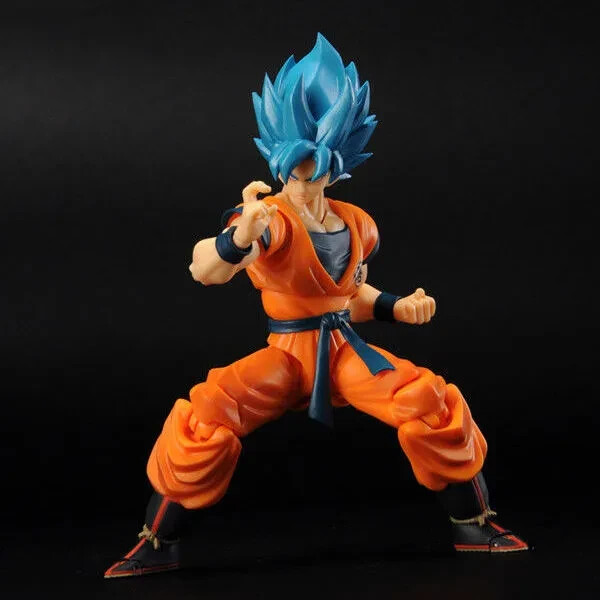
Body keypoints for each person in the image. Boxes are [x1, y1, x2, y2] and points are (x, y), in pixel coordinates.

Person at [105, 33, 527, 579]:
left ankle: (474, 523)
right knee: (207, 415)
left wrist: (398, 306)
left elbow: (350, 295)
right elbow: (207, 269)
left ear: (337, 165)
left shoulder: (356, 223)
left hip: (346, 351)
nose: (303, 183)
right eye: (294, 171)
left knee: (429, 400)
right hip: (286, 356)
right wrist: (240, 235)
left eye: (315, 171)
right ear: (278, 163)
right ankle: (157, 541)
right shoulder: (268, 219)